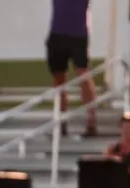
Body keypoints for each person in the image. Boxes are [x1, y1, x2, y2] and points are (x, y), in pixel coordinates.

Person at [45, 0, 97, 137]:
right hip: (57, 32)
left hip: (78, 34)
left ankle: (91, 121)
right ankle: (61, 122)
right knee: (59, 79)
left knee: (83, 75)